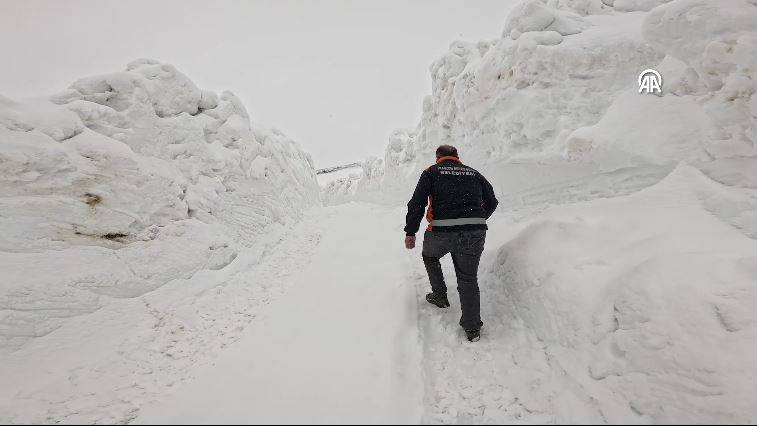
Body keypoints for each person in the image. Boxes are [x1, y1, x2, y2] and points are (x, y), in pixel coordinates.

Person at [404, 145, 498, 342]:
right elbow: (492, 201)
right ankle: (472, 328)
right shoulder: (473, 173)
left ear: (438, 157)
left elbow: (417, 203)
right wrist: (477, 219)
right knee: (468, 278)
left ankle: (440, 296)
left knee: (430, 256)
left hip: (442, 232)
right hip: (475, 233)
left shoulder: (431, 172)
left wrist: (411, 232)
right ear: (457, 157)